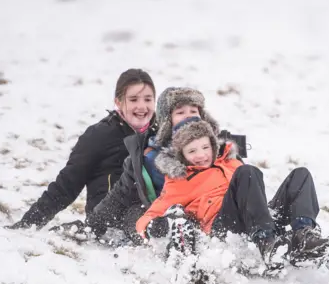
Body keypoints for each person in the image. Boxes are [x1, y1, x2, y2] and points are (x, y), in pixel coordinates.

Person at [136, 117, 329, 270]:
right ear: (182, 155)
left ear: (213, 145)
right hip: (225, 226)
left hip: (258, 217)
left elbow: (252, 194)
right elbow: (146, 219)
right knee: (248, 173)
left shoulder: (230, 163)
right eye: (192, 151)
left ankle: (304, 236)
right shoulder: (180, 181)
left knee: (300, 175)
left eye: (206, 147)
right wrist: (155, 228)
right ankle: (267, 244)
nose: (201, 155)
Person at [6, 68, 157, 230]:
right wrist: (27, 225)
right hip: (107, 222)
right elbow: (67, 185)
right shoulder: (100, 135)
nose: (142, 106)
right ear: (119, 102)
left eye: (148, 99)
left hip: (150, 215)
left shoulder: (160, 135)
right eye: (133, 99)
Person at [86, 87, 227, 244]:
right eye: (180, 113)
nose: (188, 117)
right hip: (165, 214)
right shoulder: (148, 158)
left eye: (193, 111)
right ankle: (168, 236)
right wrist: (90, 227)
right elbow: (119, 197)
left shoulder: (218, 149)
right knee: (132, 214)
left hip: (214, 212)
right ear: (167, 121)